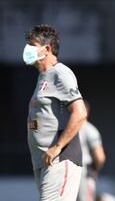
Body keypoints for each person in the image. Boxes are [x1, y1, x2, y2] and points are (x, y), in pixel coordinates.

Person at [25, 24, 87, 201]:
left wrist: (57, 147)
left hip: (60, 159)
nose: (27, 49)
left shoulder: (61, 73)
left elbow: (80, 113)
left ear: (47, 49)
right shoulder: (42, 77)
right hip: (43, 161)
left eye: (32, 45)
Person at [77, 100, 106, 201]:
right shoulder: (72, 129)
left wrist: (93, 172)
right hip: (77, 172)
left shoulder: (89, 130)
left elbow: (100, 157)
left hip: (85, 173)